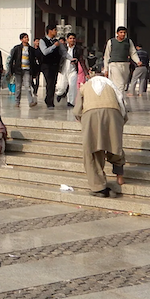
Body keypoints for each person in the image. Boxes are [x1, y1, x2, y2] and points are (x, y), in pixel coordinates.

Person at [74, 67, 127, 198]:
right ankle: (119, 177)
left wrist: (84, 122)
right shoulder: (111, 85)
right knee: (115, 146)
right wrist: (121, 122)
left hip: (90, 116)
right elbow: (122, 104)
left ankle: (99, 187)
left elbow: (76, 111)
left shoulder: (85, 86)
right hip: (113, 113)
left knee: (92, 151)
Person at [103, 26, 140, 94]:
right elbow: (107, 55)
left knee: (123, 84)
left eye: (124, 32)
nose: (123, 34)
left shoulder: (129, 41)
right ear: (117, 33)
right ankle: (120, 100)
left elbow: (133, 52)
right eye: (121, 32)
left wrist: (137, 61)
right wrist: (106, 69)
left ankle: (117, 98)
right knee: (120, 83)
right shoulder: (111, 42)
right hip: (114, 64)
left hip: (125, 65)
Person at [7, 32, 40, 107]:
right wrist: (11, 70)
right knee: (18, 86)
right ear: (21, 39)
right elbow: (12, 60)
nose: (27, 38)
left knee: (27, 86)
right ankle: (17, 102)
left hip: (27, 70)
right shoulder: (17, 48)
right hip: (18, 70)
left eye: (27, 37)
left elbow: (34, 61)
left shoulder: (31, 49)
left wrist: (34, 72)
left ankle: (31, 101)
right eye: (25, 37)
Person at [37, 25, 62, 108]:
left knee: (53, 83)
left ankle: (48, 99)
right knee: (50, 82)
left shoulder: (56, 41)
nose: (56, 32)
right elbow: (45, 52)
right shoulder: (42, 41)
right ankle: (50, 102)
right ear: (50, 31)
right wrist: (54, 46)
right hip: (46, 65)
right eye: (55, 30)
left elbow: (63, 52)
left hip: (55, 65)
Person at [60, 32, 86, 107]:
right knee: (61, 87)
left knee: (72, 86)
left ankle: (70, 102)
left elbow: (81, 60)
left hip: (73, 70)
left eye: (73, 38)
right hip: (63, 69)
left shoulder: (78, 49)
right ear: (67, 39)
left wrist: (86, 72)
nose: (72, 40)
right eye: (70, 38)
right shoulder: (63, 48)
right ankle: (61, 94)